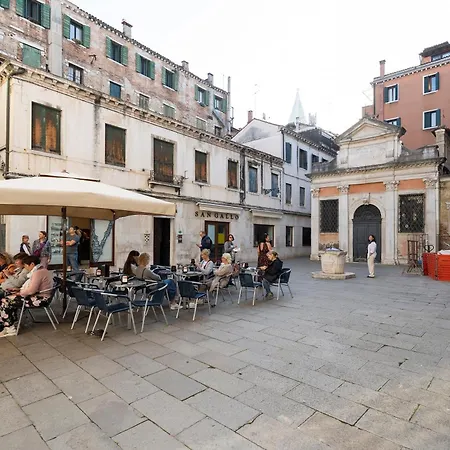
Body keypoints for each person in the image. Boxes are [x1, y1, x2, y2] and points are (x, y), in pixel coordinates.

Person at [0, 255, 53, 337]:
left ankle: (10, 328)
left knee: (5, 301)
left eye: (26, 265)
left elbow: (31, 290)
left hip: (40, 299)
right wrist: (18, 290)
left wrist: (19, 292)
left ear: (32, 264)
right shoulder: (42, 270)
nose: (26, 268)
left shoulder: (38, 273)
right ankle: (11, 324)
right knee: (9, 300)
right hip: (40, 296)